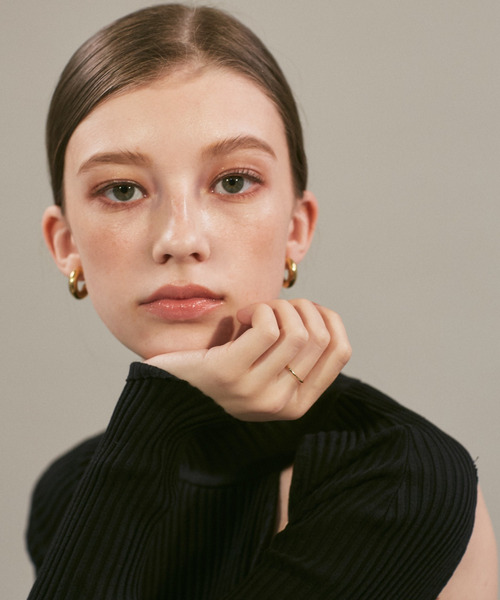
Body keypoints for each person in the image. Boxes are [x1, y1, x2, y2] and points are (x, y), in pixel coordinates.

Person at [26, 4, 497, 599]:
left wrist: (160, 407)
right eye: (122, 190)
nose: (180, 239)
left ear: (297, 229)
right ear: (65, 244)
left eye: (233, 182)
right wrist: (160, 408)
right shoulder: (71, 491)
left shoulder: (399, 477)